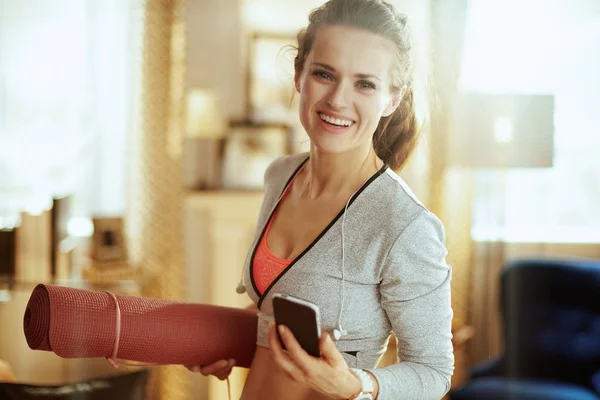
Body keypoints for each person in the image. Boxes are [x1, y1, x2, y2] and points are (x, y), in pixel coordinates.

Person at [188, 0, 454, 398]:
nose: (338, 100)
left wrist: (354, 385)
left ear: (392, 99)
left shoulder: (403, 224)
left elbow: (434, 372)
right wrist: (222, 343)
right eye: (324, 74)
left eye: (365, 83)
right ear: (299, 76)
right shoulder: (280, 176)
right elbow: (275, 315)